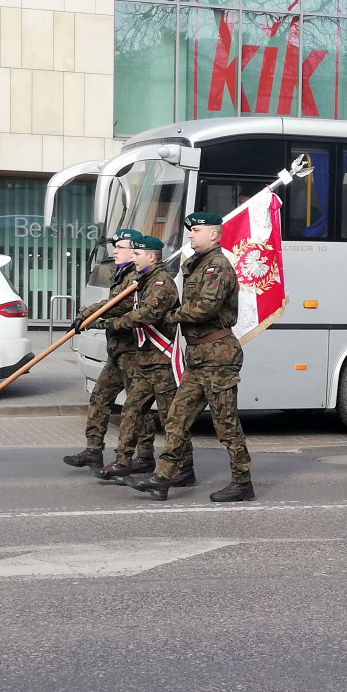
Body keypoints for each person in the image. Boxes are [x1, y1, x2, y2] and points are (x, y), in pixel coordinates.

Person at [125, 211, 254, 502]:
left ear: (213, 234)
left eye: (196, 230)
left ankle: (242, 482)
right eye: (190, 231)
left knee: (226, 424)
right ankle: (165, 475)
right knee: (176, 417)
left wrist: (171, 315)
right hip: (198, 356)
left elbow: (205, 309)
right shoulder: (197, 265)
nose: (191, 235)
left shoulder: (217, 266)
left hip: (219, 355)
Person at [91, 235, 195, 485]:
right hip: (145, 360)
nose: (133, 259)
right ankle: (124, 460)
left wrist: (112, 323)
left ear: (152, 257)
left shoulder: (161, 283)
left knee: (171, 418)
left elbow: (146, 314)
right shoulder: (143, 281)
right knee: (132, 410)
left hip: (162, 361)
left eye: (137, 255)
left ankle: (185, 468)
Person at [62, 229, 157, 473]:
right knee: (100, 397)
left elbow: (119, 305)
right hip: (116, 351)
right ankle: (94, 450)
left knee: (137, 407)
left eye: (121, 247)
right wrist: (85, 315)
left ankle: (144, 455)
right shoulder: (121, 273)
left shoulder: (137, 276)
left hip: (132, 352)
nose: (114, 251)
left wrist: (91, 317)